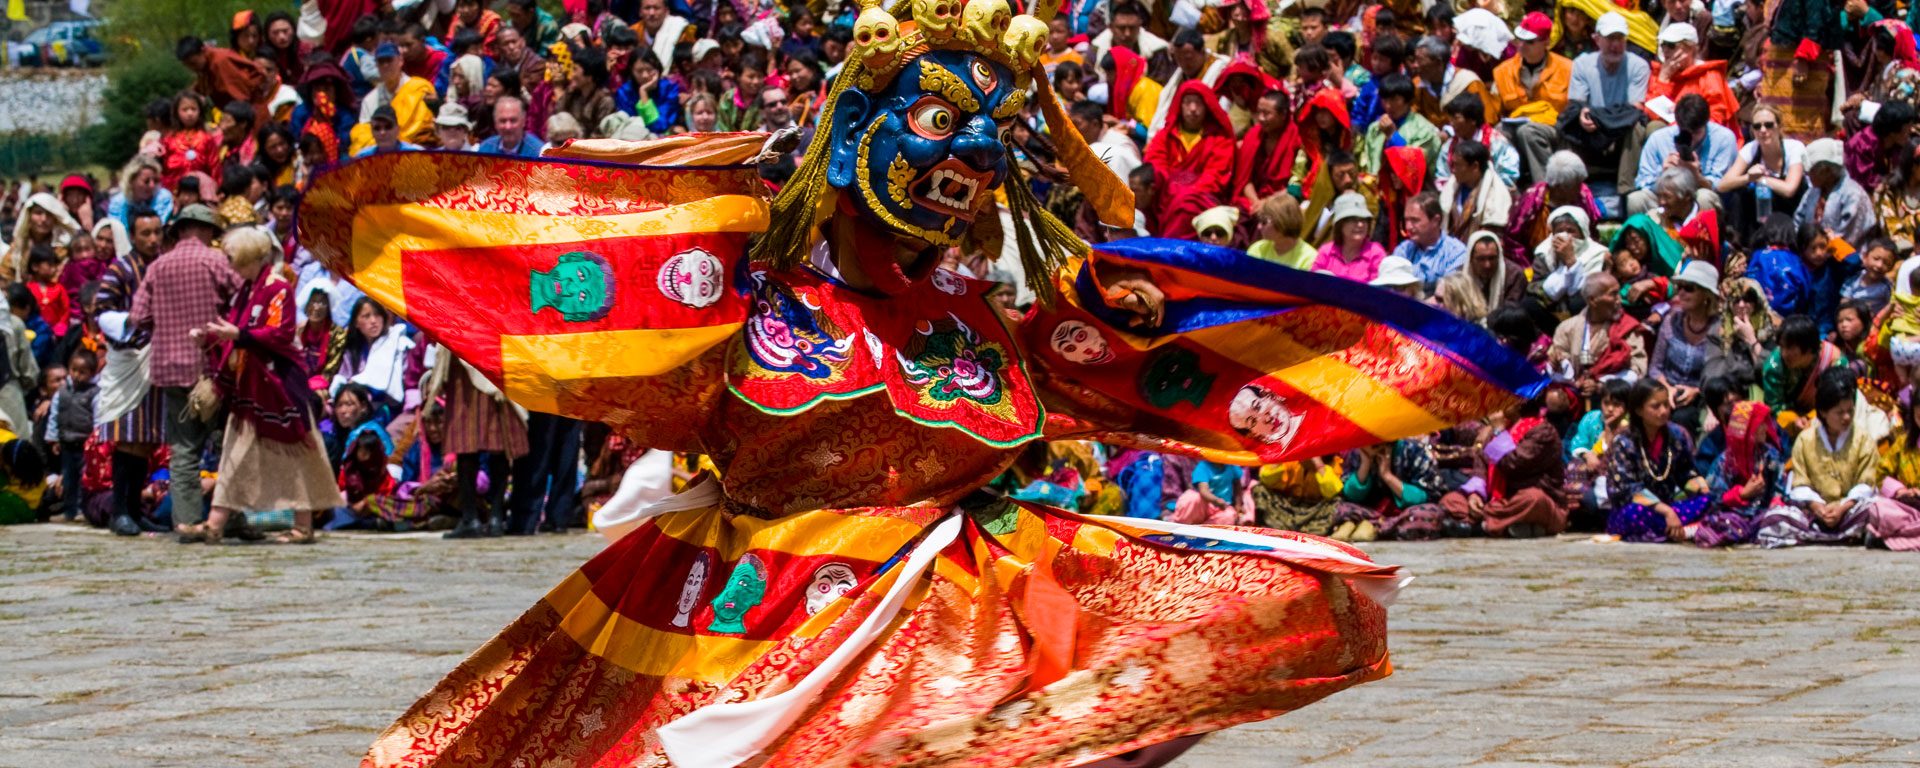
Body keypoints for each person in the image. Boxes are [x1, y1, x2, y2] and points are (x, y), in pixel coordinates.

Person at [305, 19, 1539, 763]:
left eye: (993, 134)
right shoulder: (745, 289)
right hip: (763, 608)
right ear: (852, 140)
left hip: (955, 592)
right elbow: (577, 290)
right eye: (941, 122)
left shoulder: (984, 309)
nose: (975, 159)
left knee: (1263, 606)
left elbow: (1157, 373)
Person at [181, 228, 342, 545]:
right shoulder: (246, 289)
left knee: (299, 455)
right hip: (250, 384)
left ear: (253, 258)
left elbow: (279, 334)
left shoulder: (278, 288)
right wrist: (210, 339)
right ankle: (215, 522)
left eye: (235, 259)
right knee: (233, 452)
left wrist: (236, 336)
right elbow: (235, 329)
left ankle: (303, 525)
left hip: (281, 385)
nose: (232, 266)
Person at [129, 204, 242, 543]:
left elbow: (137, 316)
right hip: (214, 369)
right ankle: (230, 521)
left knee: (183, 449)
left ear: (179, 230)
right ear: (206, 230)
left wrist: (166, 322)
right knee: (228, 447)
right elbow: (242, 300)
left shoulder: (157, 266)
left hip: (170, 368)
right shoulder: (216, 261)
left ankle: (188, 523)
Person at [93, 208, 170, 537]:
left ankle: (135, 512)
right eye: (146, 234)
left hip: (158, 359)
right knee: (126, 437)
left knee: (145, 439)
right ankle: (120, 511)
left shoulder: (165, 266)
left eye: (157, 232)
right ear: (134, 237)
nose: (153, 239)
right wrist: (130, 322)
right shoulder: (121, 269)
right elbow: (101, 309)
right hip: (130, 357)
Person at [1753, 369, 1879, 547]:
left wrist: (1842, 507)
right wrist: (1818, 507)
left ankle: (1824, 535)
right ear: (1823, 412)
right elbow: (1799, 483)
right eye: (1839, 412)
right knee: (1775, 518)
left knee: (1874, 510)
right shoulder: (1806, 440)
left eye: (1850, 411)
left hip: (1849, 511)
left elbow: (1867, 483)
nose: (1846, 417)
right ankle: (1839, 536)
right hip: (1815, 513)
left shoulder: (1863, 439)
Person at [1605, 379, 1712, 542]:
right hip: (1638, 509)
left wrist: (1703, 489)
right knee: (1633, 514)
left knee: (1711, 501)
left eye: (1666, 405)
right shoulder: (1624, 442)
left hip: (1668, 505)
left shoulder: (1676, 435)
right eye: (1656, 406)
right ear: (1639, 410)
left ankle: (1673, 530)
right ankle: (1681, 530)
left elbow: (1687, 473)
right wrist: (1667, 512)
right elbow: (1628, 490)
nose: (1663, 411)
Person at [1562, 12, 1651, 185]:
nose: (1615, 45)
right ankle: (1570, 186)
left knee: (1637, 127)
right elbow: (1576, 104)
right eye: (1610, 38)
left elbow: (1635, 108)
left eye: (1620, 38)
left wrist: (1596, 115)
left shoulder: (1638, 65)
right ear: (1597, 39)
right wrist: (1582, 115)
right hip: (1592, 128)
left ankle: (1627, 188)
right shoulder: (1582, 63)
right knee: (1569, 121)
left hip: (1621, 128)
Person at [1143, 81, 1236, 240]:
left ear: (1207, 106)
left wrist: (1184, 193)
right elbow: (1155, 163)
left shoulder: (1220, 139)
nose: (1193, 109)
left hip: (1200, 197)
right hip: (1166, 193)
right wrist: (1170, 189)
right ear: (1179, 105)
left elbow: (1215, 175)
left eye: (1198, 103)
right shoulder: (1165, 135)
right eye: (1188, 103)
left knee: (1186, 205)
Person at [1493, 12, 1574, 180]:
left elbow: (1573, 109)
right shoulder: (1503, 71)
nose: (1521, 45)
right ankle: (1507, 187)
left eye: (1529, 42)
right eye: (1519, 39)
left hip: (1555, 130)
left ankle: (1545, 189)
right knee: (1498, 134)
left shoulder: (1567, 69)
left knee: (1528, 131)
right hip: (1516, 127)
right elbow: (1494, 112)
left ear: (1546, 43)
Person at [1648, 261, 1729, 429]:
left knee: (1682, 418)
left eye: (1689, 288)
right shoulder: (1672, 320)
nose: (1682, 293)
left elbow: (1721, 376)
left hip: (1701, 397)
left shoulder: (1719, 329)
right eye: (1680, 287)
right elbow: (1655, 367)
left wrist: (1696, 391)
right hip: (1667, 390)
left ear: (1706, 295)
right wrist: (1667, 389)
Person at [1629, 94, 1734, 216]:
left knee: (1704, 198)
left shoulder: (1724, 139)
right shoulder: (1658, 139)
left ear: (1706, 123)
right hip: (1665, 198)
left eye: (1696, 132)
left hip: (1696, 199)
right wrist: (1663, 174)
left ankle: (1700, 235)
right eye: (1685, 132)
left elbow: (1720, 188)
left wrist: (1696, 175)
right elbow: (1642, 182)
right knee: (1635, 200)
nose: (1691, 138)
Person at [1550, 274, 1648, 396]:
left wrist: (1601, 386)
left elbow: (1637, 369)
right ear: (1592, 300)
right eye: (1613, 294)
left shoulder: (1627, 327)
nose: (1619, 299)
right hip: (1574, 394)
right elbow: (1559, 356)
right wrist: (1559, 363)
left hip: (1613, 398)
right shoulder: (1567, 328)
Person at [330, 297, 414, 409]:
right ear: (356, 323)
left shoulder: (397, 343)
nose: (373, 321)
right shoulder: (353, 350)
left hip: (386, 407)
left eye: (377, 315)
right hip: (355, 406)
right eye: (366, 316)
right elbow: (344, 377)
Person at [1761, 314, 1850, 417]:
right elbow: (1774, 406)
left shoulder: (1834, 362)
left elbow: (1841, 401)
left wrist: (1812, 418)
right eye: (1782, 346)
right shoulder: (1774, 366)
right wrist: (1793, 421)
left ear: (1809, 348)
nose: (1784, 353)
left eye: (1790, 348)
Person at [1796, 138, 1879, 249]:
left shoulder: (1853, 195)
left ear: (1826, 171)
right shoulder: (1813, 192)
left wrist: (1819, 248)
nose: (1807, 176)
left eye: (1811, 172)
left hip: (1845, 259)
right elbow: (1798, 221)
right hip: (1812, 255)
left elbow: (1847, 238)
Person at [1357, 74, 1442, 179]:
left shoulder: (1425, 130)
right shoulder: (1374, 128)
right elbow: (1369, 165)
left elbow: (1415, 167)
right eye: (1384, 100)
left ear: (1409, 101)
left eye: (1394, 100)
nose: (1388, 106)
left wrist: (1393, 136)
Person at [1391, 190, 1466, 293]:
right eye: (1406, 220)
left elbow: (1449, 294)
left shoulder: (1456, 252)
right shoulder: (1403, 250)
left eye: (1415, 220)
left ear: (1436, 221)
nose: (1408, 227)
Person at [1437, 139, 1511, 240]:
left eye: (1457, 165)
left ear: (1475, 166)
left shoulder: (1495, 195)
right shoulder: (1453, 187)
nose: (1452, 170)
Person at [1313, 192, 1387, 282]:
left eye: (1364, 220)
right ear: (1340, 224)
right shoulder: (1326, 252)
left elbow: (1379, 291)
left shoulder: (1375, 253)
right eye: (1353, 220)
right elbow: (1313, 283)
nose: (1360, 225)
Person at [1246, 193, 1314, 269]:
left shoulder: (1309, 259)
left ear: (1282, 222)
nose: (1259, 227)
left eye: (1264, 222)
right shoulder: (1257, 249)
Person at [475, 96, 547, 157]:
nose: (508, 127)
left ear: (523, 121)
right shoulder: (485, 149)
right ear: (495, 123)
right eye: (503, 121)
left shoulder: (539, 153)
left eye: (513, 120)